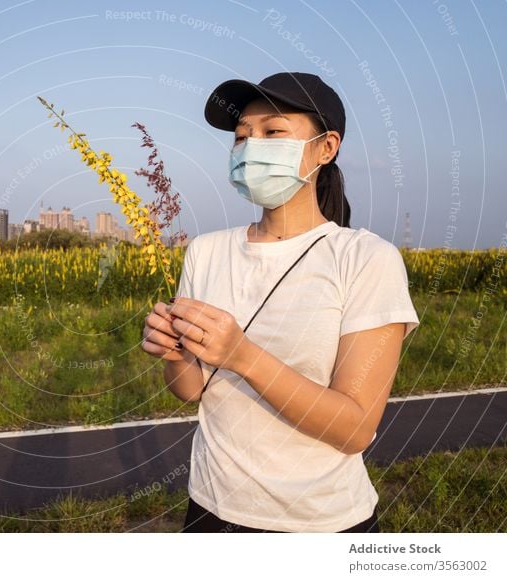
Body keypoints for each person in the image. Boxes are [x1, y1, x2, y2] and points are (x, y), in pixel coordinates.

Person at [140, 72, 420, 533]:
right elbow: (193, 389)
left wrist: (242, 356)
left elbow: (355, 429)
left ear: (326, 148)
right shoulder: (205, 251)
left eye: (273, 132)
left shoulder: (365, 259)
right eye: (241, 136)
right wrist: (172, 353)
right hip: (210, 507)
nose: (251, 148)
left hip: (321, 521)